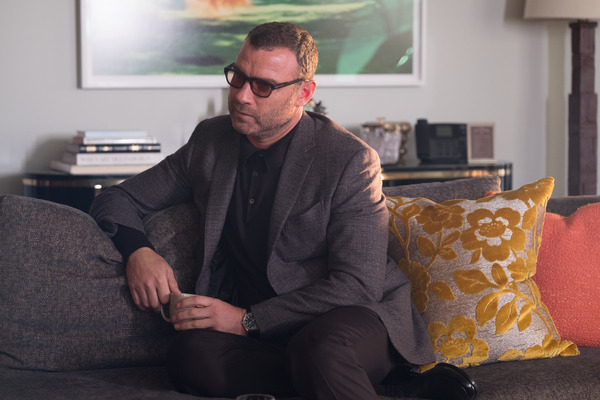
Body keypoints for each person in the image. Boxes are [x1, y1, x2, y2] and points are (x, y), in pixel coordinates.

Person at [90, 22, 476, 400]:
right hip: (271, 334)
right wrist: (139, 252)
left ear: (303, 92)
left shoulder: (349, 159)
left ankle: (343, 374)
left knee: (320, 352)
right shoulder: (211, 141)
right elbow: (117, 198)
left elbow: (357, 285)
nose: (242, 96)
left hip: (352, 317)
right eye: (238, 77)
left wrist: (246, 320)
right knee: (189, 357)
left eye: (262, 86)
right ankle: (389, 391)